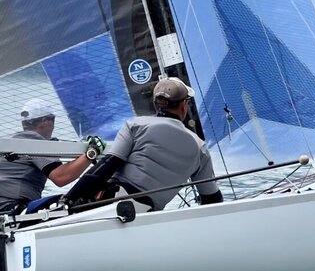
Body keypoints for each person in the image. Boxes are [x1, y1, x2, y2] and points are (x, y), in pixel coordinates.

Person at [65, 77, 222, 211]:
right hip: (147, 216)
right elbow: (211, 197)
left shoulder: (135, 125)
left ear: (156, 104)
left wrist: (68, 200)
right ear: (184, 105)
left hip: (109, 203)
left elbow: (108, 165)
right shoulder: (200, 147)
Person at [0, 98, 105, 220]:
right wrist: (92, 153)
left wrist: (82, 157)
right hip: (9, 210)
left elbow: (61, 170)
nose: (53, 125)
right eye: (53, 120)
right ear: (45, 121)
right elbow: (61, 177)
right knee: (75, 202)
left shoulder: (18, 141)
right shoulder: (33, 142)